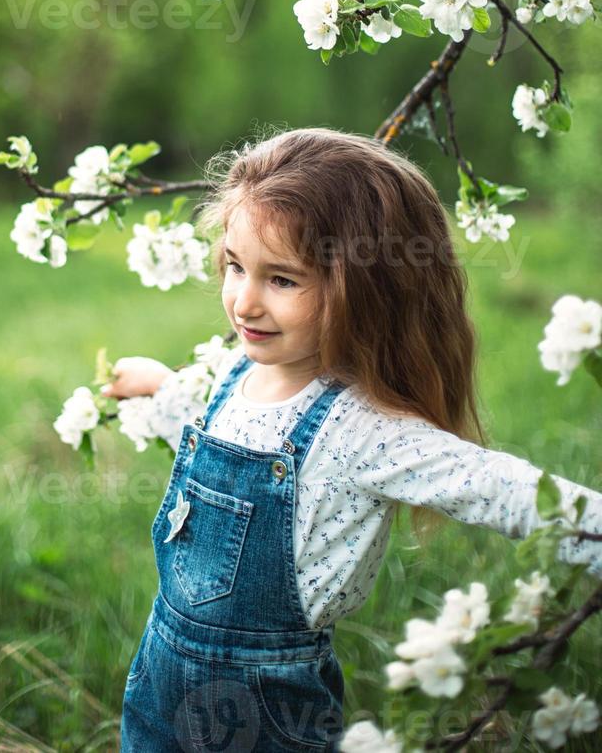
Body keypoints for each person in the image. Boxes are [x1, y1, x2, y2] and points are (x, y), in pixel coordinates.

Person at [104, 127, 602, 752]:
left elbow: (504, 490)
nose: (244, 303)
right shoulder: (239, 370)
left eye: (282, 280)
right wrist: (159, 385)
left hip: (264, 711)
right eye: (236, 267)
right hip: (160, 678)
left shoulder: (364, 431)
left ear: (365, 290)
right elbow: (218, 421)